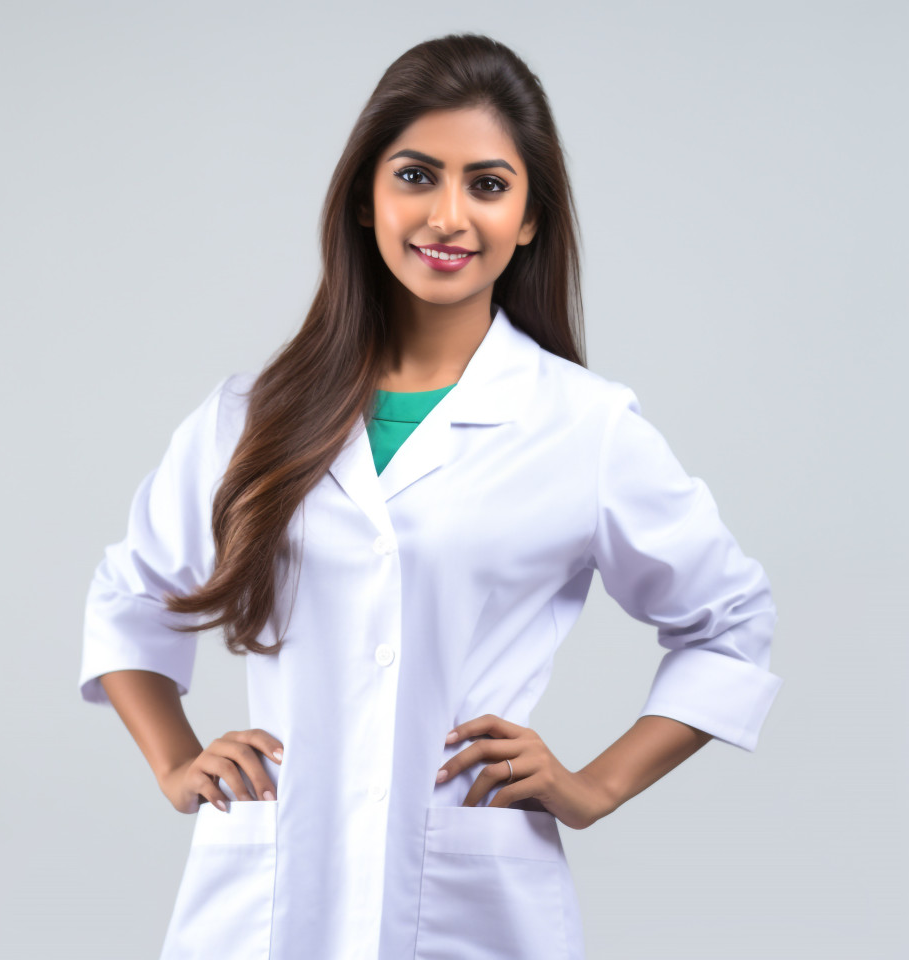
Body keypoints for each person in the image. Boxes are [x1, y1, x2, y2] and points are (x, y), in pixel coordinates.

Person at [79, 32, 784, 960]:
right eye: (417, 175)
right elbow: (133, 595)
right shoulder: (247, 416)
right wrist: (175, 761)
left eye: (487, 185)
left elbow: (731, 622)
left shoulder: (583, 426)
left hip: (473, 900)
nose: (448, 215)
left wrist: (595, 787)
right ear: (366, 200)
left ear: (530, 218)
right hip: (265, 894)